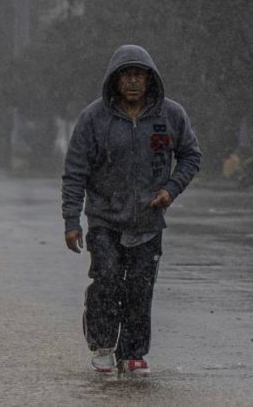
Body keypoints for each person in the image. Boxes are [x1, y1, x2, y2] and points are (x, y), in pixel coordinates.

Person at [61, 44, 202, 376]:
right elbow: (75, 171)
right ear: (115, 81)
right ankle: (103, 345)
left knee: (140, 288)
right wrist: (71, 220)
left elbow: (191, 156)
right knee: (107, 279)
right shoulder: (94, 118)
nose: (134, 82)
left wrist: (171, 189)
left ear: (150, 80)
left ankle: (134, 353)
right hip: (104, 219)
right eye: (127, 76)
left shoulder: (171, 115)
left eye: (140, 76)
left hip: (148, 222)